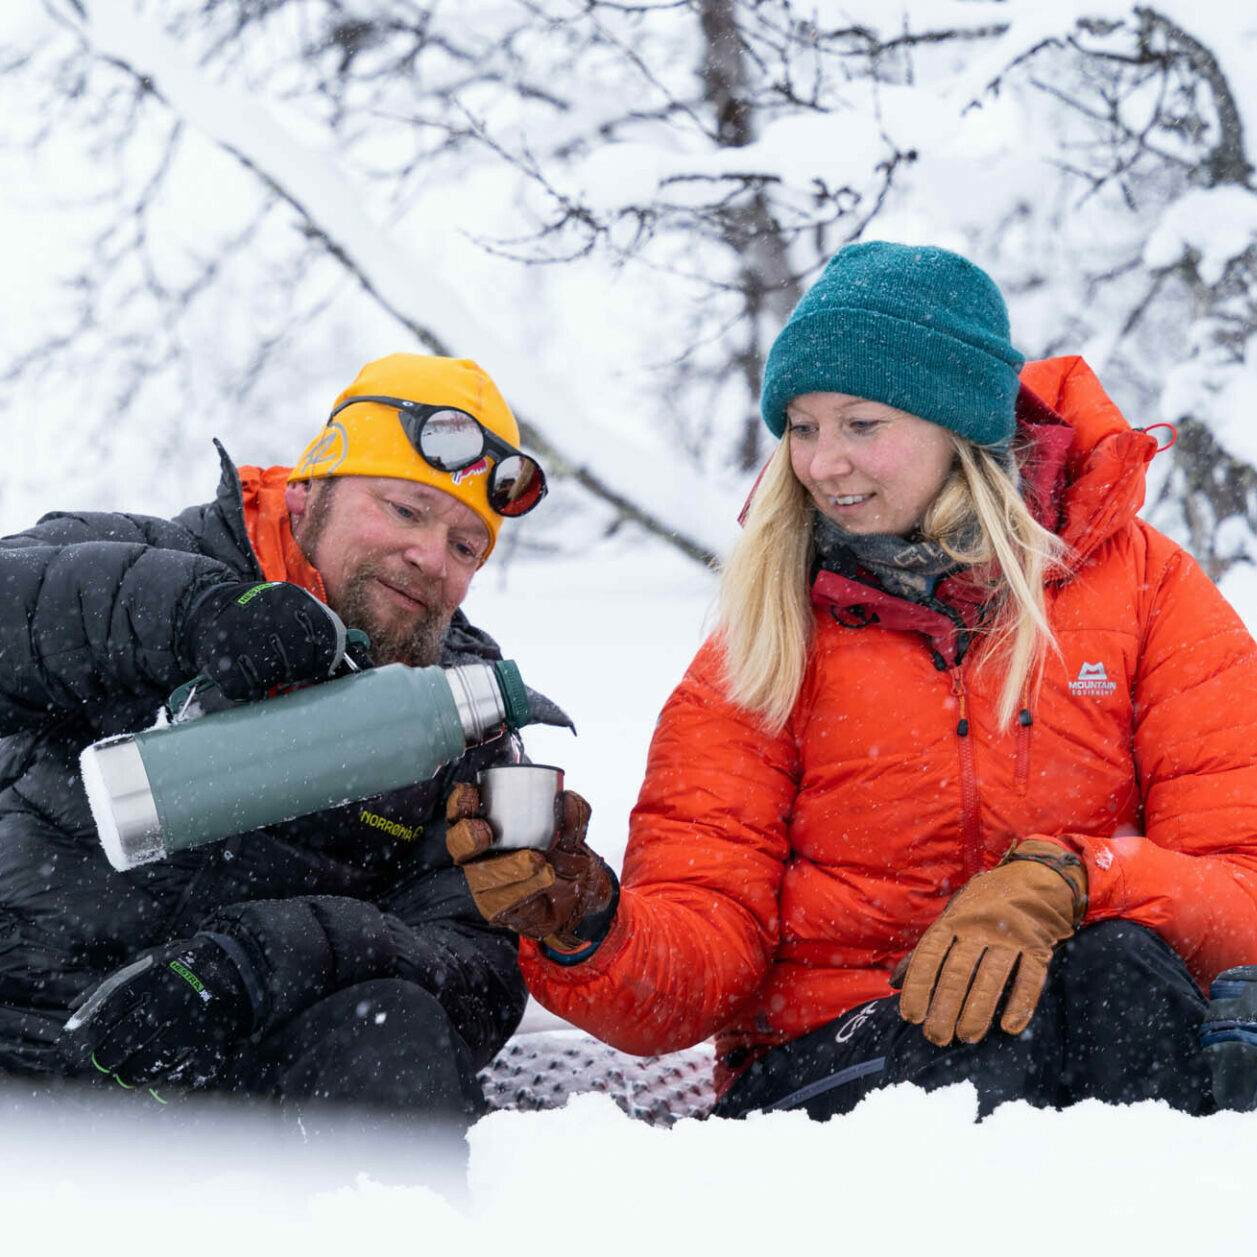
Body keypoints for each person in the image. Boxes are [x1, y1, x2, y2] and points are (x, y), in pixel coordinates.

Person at [444, 242, 1257, 1119]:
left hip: (1090, 1028)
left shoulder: (1142, 590)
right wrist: (587, 925)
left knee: (1116, 967)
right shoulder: (765, 634)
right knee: (1002, 1029)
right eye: (801, 426)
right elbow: (698, 957)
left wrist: (1076, 878)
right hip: (838, 1059)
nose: (821, 461)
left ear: (960, 427)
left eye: (859, 424)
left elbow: (1241, 893)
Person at [0, 352, 562, 1131]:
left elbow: (478, 971)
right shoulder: (150, 558)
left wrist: (260, 961)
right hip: (19, 1030)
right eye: (404, 510)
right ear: (308, 493)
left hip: (235, 1086)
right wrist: (196, 616)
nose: (431, 558)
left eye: (466, 546)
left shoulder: (459, 711)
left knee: (391, 1030)